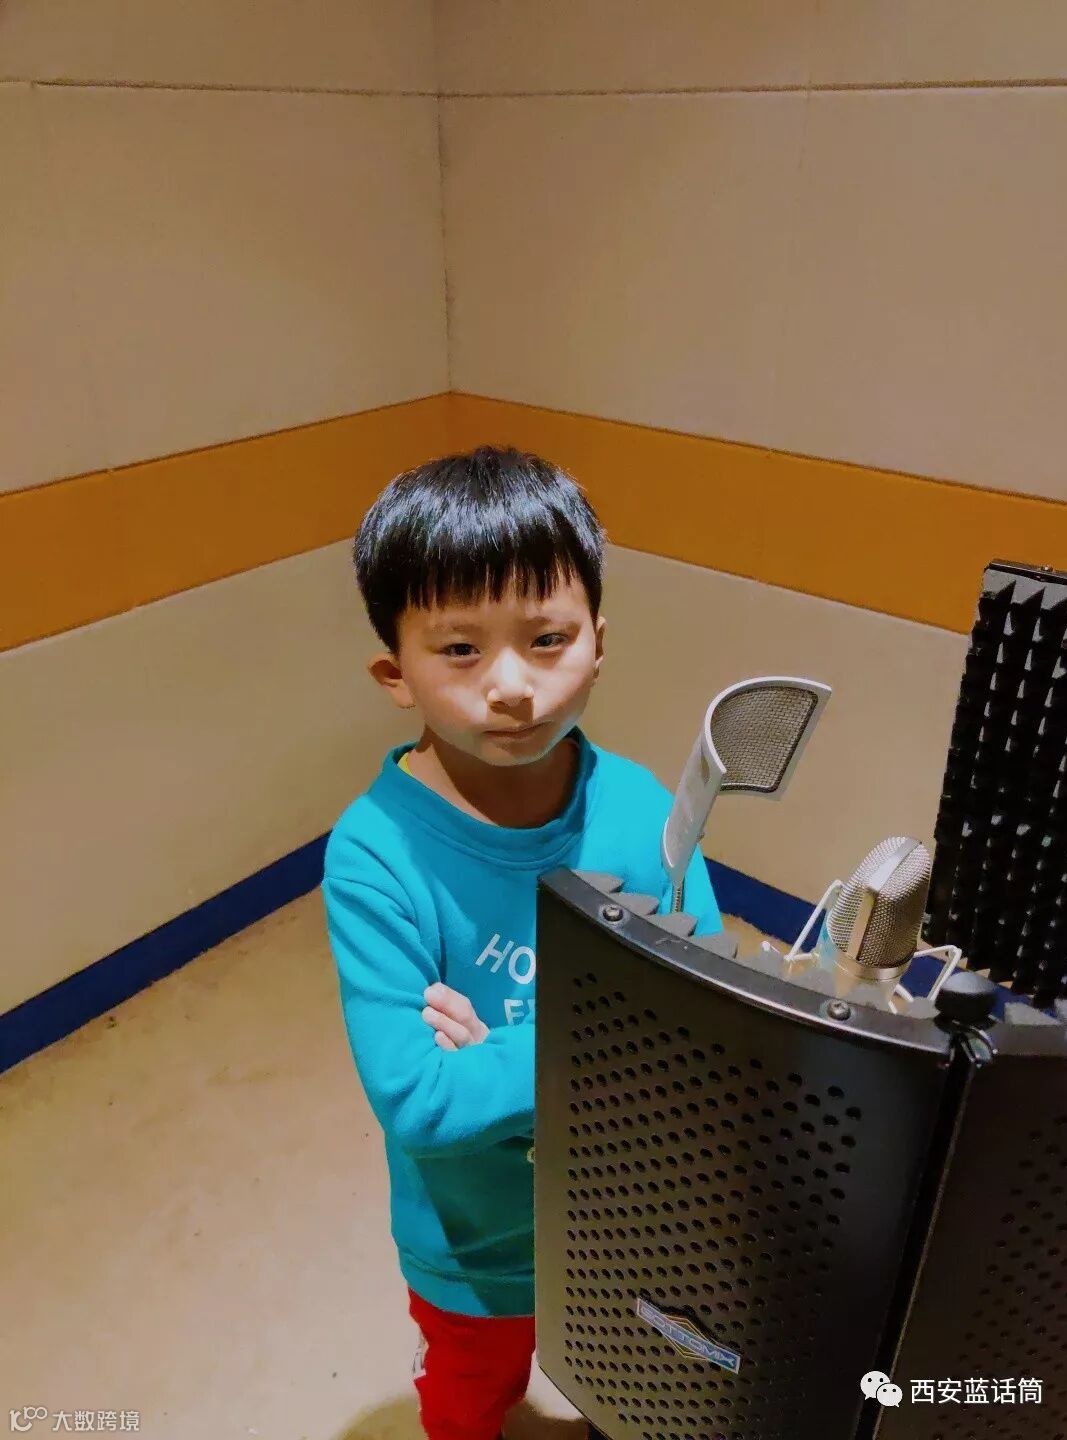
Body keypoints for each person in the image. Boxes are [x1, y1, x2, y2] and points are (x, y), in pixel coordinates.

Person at [322, 446, 723, 1440]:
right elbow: (422, 1099)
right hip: (473, 1244)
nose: (511, 686)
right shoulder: (374, 855)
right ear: (395, 673)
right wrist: (613, 1037)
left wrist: (500, 1057)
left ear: (598, 642)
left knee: (630, 1381)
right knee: (469, 1395)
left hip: (629, 1206)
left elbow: (711, 1023)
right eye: (460, 649)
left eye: (547, 639)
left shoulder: (641, 811)